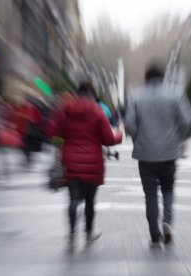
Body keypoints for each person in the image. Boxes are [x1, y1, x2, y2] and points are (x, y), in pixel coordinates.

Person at [125, 63, 191, 246]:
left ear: (146, 77)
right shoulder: (176, 94)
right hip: (169, 152)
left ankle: (154, 233)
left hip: (145, 153)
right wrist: (178, 135)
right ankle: (167, 222)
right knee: (168, 189)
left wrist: (137, 137)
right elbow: (188, 120)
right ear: (163, 77)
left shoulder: (135, 95)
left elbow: (129, 125)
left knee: (150, 195)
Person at [48, 80, 123, 242]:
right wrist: (119, 134)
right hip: (93, 161)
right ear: (92, 94)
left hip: (70, 159)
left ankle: (72, 231)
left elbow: (54, 132)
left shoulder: (66, 109)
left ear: (77, 93)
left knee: (73, 198)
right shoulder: (97, 110)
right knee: (90, 200)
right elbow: (108, 139)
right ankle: (89, 231)